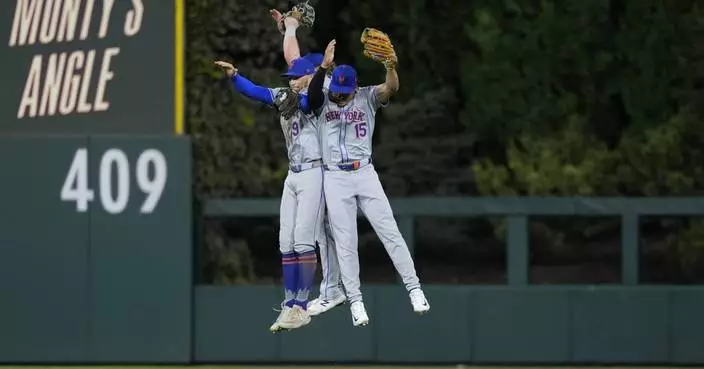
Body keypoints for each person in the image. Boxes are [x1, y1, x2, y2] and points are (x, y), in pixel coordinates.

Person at [307, 40, 430, 327]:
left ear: (354, 85)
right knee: (346, 243)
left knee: (390, 232)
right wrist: (323, 67)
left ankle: (414, 289)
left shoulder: (367, 96)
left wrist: (390, 67)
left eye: (343, 92)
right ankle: (356, 301)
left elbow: (392, 88)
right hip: (335, 177)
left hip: (364, 173)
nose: (338, 96)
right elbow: (312, 95)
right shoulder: (323, 97)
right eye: (336, 91)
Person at [213, 56, 325, 332]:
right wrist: (235, 76)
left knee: (302, 239)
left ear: (310, 76)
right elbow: (256, 92)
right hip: (294, 174)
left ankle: (302, 304)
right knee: (285, 240)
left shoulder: (317, 97)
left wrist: (305, 90)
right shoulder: (284, 94)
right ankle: (289, 304)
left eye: (296, 77)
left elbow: (311, 101)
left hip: (314, 172)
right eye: (290, 78)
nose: (291, 81)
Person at [268, 9, 346, 316]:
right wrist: (290, 28)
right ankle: (323, 292)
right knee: (316, 234)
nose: (293, 77)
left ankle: (331, 291)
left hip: (331, 166)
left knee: (321, 234)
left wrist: (323, 65)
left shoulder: (322, 89)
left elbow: (309, 83)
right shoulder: (309, 79)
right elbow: (294, 60)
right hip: (317, 166)